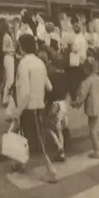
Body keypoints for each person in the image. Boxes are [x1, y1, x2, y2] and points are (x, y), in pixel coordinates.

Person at [8, 33, 59, 185]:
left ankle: (51, 170)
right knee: (27, 136)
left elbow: (25, 93)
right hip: (40, 106)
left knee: (36, 140)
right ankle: (20, 162)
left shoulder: (23, 64)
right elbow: (49, 87)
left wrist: (18, 111)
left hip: (28, 108)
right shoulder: (40, 63)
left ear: (21, 47)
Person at [79, 53, 99, 159]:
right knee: (96, 127)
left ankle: (96, 151)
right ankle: (98, 144)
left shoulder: (87, 81)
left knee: (92, 129)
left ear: (86, 69)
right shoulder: (97, 78)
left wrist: (75, 103)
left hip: (92, 107)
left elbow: (82, 96)